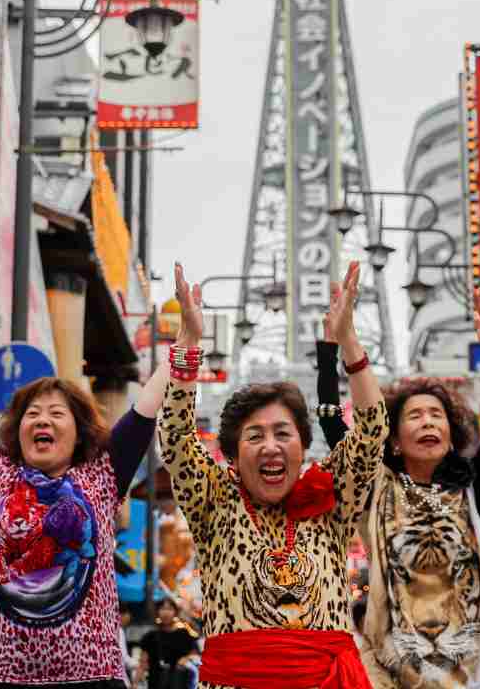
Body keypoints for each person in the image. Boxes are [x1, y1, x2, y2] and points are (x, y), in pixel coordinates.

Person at [0, 288, 172, 688]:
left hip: (92, 679)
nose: (42, 420)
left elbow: (145, 409)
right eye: (32, 414)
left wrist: (184, 345)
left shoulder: (101, 476)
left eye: (55, 413)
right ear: (19, 429)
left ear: (78, 431)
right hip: (2, 678)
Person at [159, 262, 388, 689]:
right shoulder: (214, 499)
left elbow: (373, 429)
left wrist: (349, 343)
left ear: (302, 447)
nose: (270, 446)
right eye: (254, 436)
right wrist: (189, 344)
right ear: (232, 452)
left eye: (283, 434)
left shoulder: (330, 499)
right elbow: (174, 437)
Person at [316, 285, 480, 689]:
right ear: (394, 438)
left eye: (437, 415)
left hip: (467, 669)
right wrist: (332, 351)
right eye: (415, 416)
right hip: (390, 671)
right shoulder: (375, 488)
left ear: (452, 433)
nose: (428, 422)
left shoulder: (473, 487)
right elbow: (331, 423)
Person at [139, 600, 200, 689]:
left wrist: (185, 659)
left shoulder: (184, 634)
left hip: (180, 682)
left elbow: (195, 654)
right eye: (162, 609)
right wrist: (135, 684)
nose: (166, 612)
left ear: (175, 612)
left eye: (169, 609)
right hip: (156, 682)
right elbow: (143, 663)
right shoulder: (150, 636)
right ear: (157, 612)